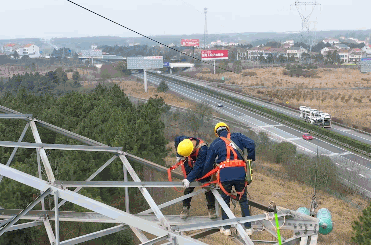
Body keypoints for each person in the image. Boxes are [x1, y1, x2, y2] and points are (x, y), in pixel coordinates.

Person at [200, 122, 255, 236]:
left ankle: (226, 228)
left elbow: (208, 164)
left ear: (217, 133)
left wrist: (204, 178)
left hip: (225, 175)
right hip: (240, 173)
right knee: (243, 200)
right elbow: (251, 144)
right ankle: (248, 228)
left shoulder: (215, 143)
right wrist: (250, 159)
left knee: (225, 201)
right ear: (228, 129)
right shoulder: (238, 136)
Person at [173, 136, 217, 220]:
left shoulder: (203, 149)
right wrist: (179, 154)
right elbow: (176, 139)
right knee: (188, 187)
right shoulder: (184, 140)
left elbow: (198, 167)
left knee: (206, 185)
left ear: (192, 150)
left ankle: (211, 209)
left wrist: (189, 178)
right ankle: (185, 208)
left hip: (203, 167)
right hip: (189, 164)